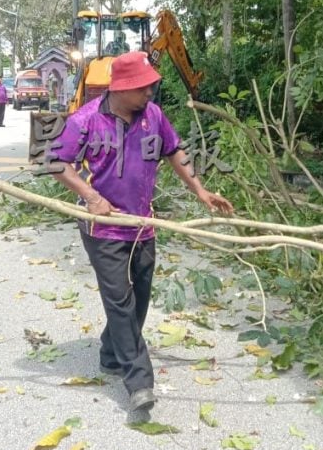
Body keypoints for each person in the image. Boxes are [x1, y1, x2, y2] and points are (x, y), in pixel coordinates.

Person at [46, 51, 233, 412]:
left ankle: (110, 354)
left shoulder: (154, 116)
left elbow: (175, 150)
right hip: (103, 230)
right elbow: (55, 163)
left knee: (140, 299)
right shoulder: (85, 120)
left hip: (144, 226)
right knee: (121, 303)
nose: (150, 93)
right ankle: (139, 382)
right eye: (143, 88)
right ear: (120, 88)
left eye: (151, 86)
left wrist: (200, 190)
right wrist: (90, 197)